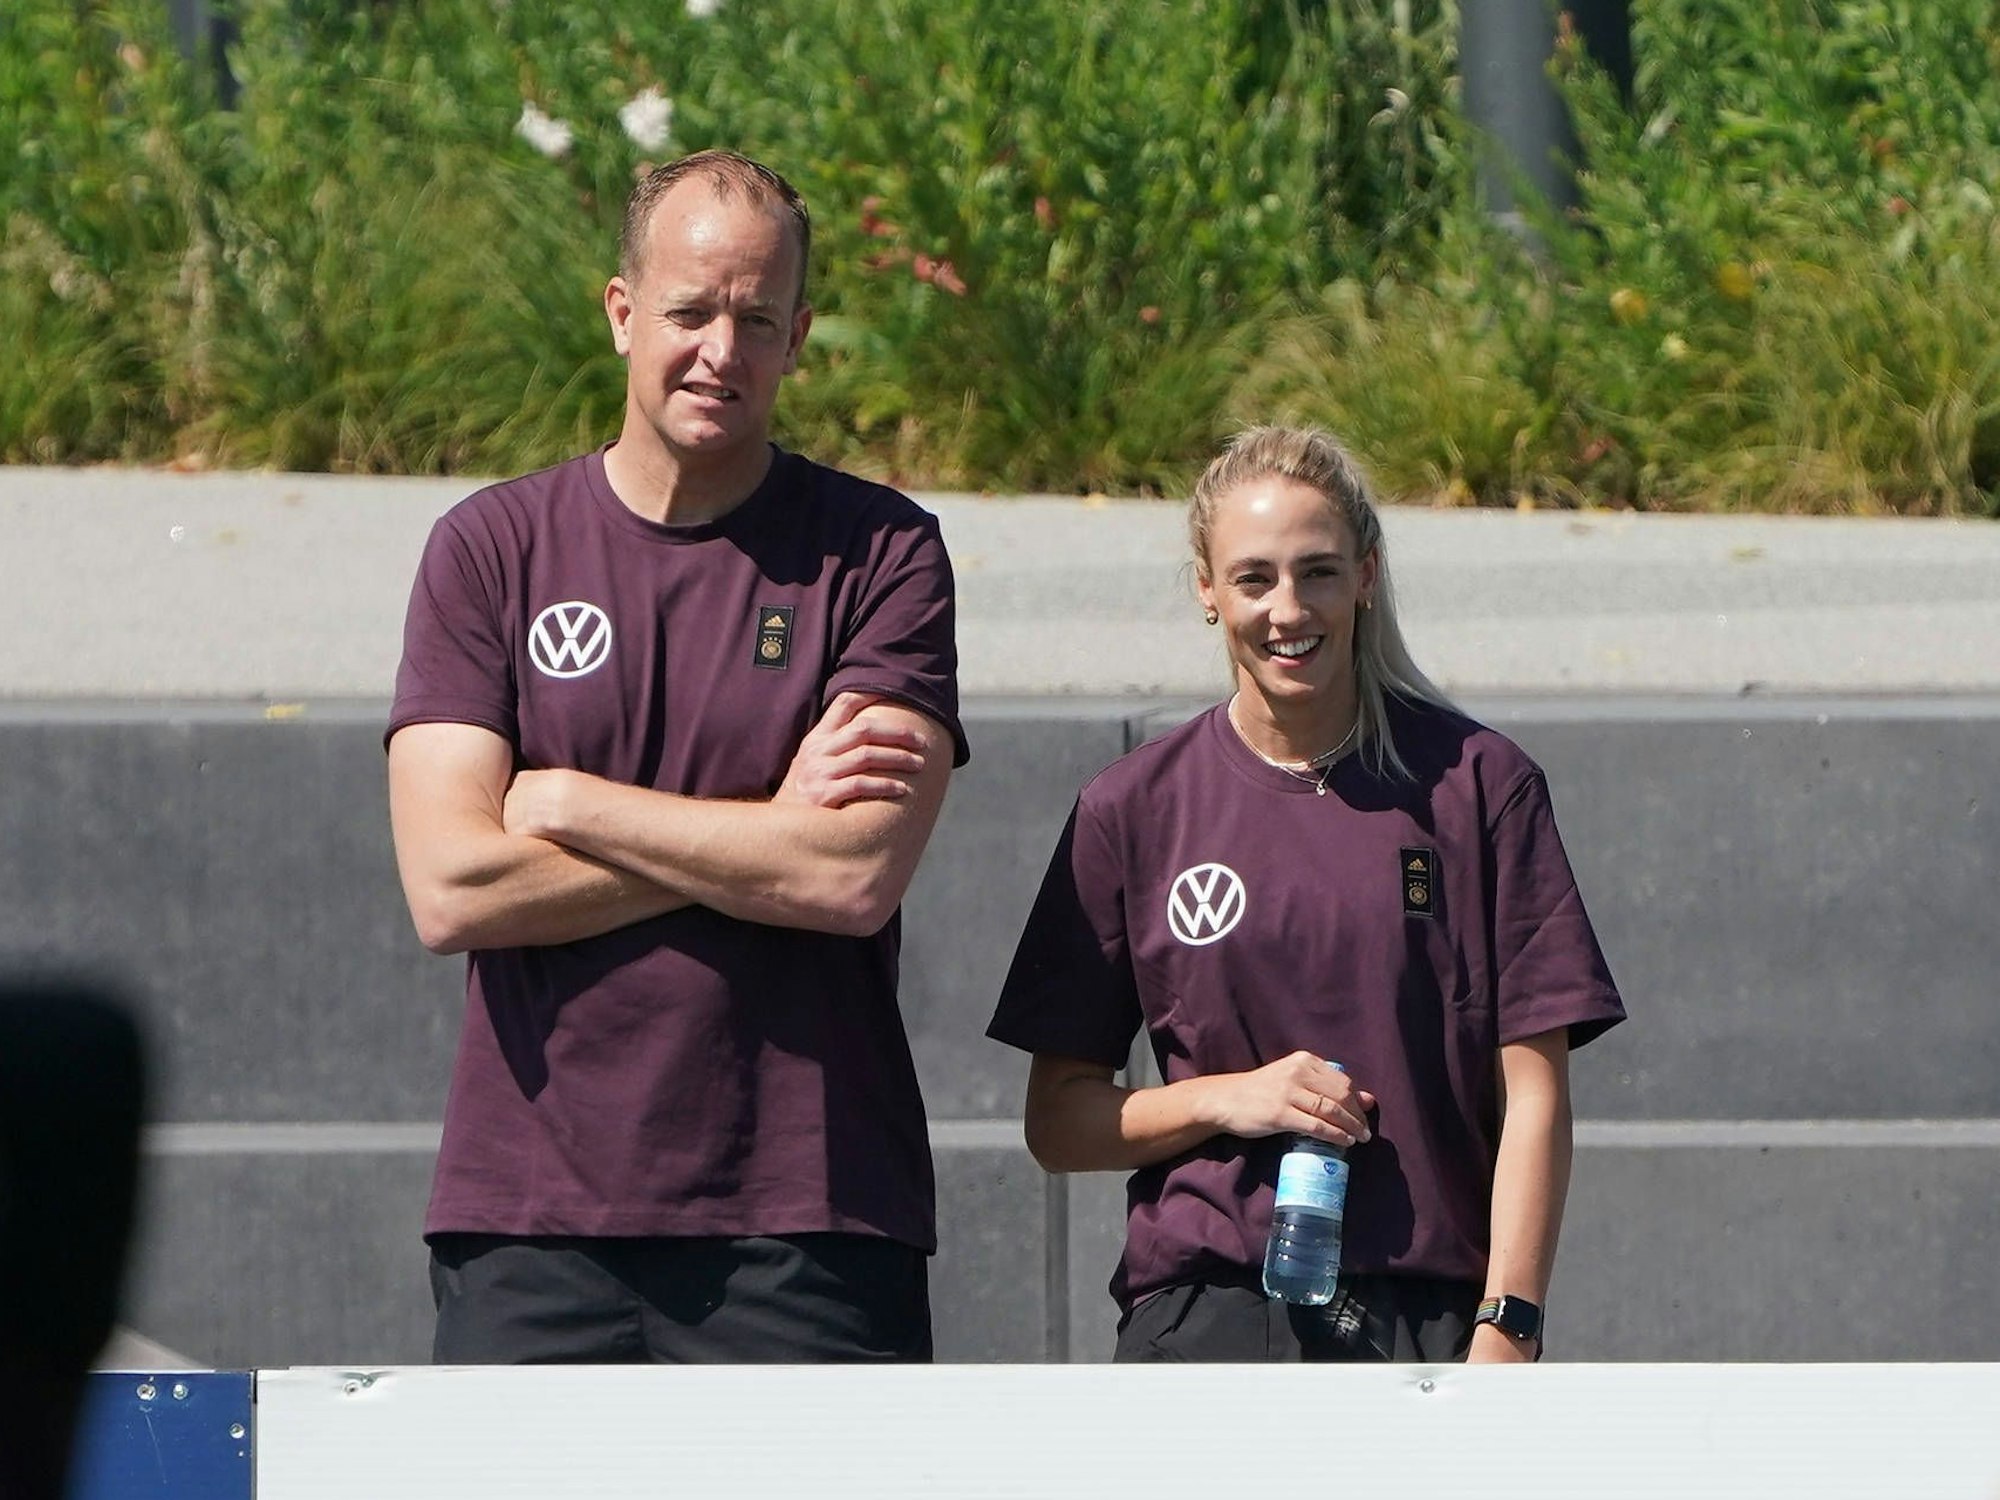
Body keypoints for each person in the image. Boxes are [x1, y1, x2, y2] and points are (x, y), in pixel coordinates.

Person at [386, 150, 967, 1364]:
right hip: (529, 1219)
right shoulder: (489, 551)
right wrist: (762, 826)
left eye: (757, 320)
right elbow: (451, 890)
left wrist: (566, 802)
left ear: (797, 336)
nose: (721, 351)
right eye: (689, 313)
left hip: (808, 1214)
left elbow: (849, 879)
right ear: (620, 313)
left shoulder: (881, 555)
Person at [986, 425, 1624, 1363]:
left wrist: (1510, 1325)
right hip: (1209, 1311)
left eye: (1318, 572)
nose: (1289, 609)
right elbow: (1059, 1121)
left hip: (1428, 1316)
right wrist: (1232, 1098)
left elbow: (1535, 1094)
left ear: (1366, 574)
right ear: (1207, 590)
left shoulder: (1480, 786)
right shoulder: (1133, 808)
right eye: (1254, 579)